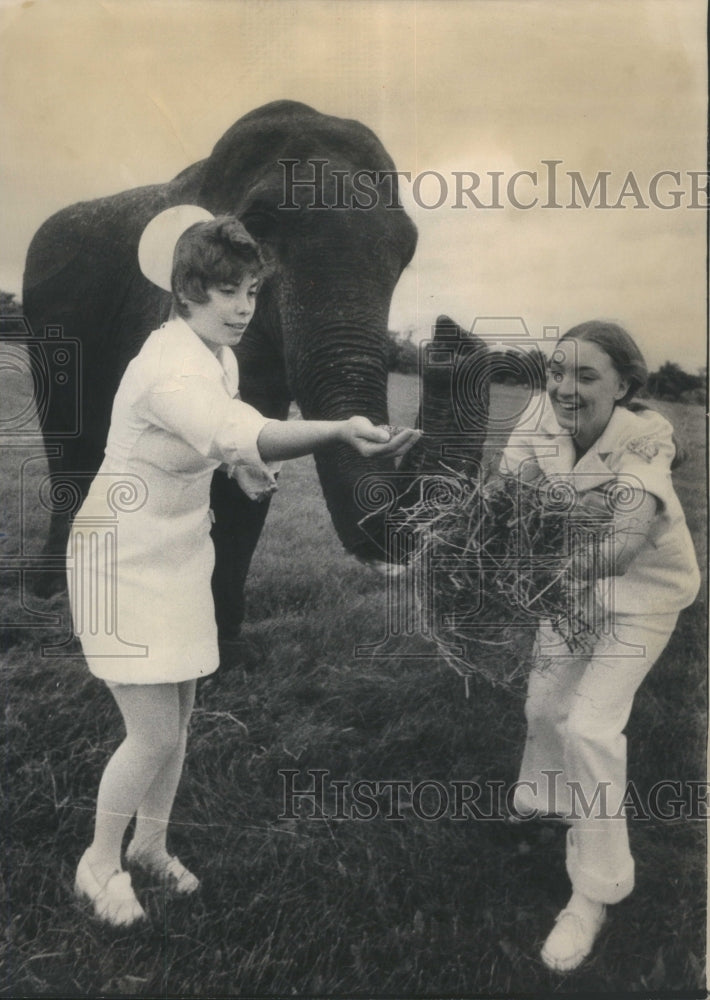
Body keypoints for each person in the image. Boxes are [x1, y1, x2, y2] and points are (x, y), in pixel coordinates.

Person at [69, 206, 419, 927]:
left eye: (253, 291)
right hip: (121, 556)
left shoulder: (217, 359)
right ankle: (98, 862)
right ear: (187, 290)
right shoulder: (166, 363)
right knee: (153, 731)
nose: (243, 307)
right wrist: (340, 431)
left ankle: (150, 848)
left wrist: (247, 473)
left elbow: (224, 448)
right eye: (228, 290)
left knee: (183, 714)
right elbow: (240, 430)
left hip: (177, 549)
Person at [498, 320, 700, 973]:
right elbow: (501, 502)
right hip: (570, 590)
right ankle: (557, 810)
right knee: (545, 708)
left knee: (588, 727)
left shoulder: (647, 436)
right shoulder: (538, 420)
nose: (564, 386)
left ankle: (594, 893)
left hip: (643, 596)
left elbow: (623, 543)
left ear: (624, 385)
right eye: (557, 370)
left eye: (586, 376)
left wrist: (547, 572)